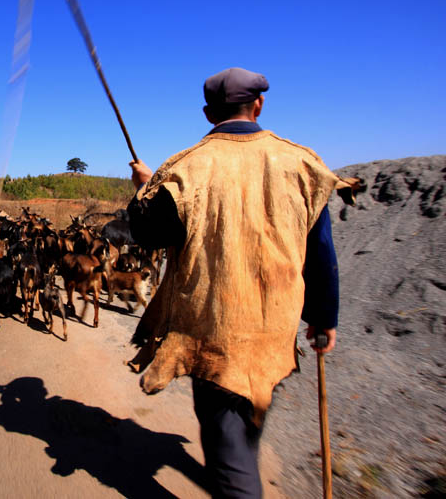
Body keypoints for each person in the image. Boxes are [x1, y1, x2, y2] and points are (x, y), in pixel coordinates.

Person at [125, 67, 354, 498]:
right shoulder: (302, 163)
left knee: (230, 456)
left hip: (215, 340)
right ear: (259, 105)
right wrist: (324, 319)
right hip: (274, 336)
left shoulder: (186, 168)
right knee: (248, 427)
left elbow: (148, 233)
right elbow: (319, 251)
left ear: (209, 114)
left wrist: (145, 189)